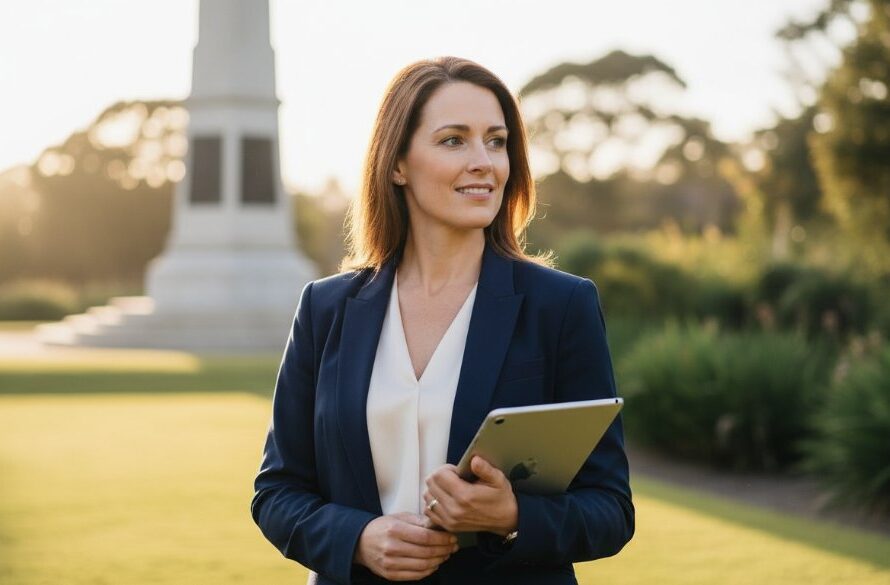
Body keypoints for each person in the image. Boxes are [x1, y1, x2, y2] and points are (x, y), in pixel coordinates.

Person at [251, 56, 634, 585]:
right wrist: (358, 539)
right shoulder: (326, 309)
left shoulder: (561, 305)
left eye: (496, 141)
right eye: (454, 140)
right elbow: (278, 493)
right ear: (397, 164)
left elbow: (611, 509)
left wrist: (511, 517)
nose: (484, 161)